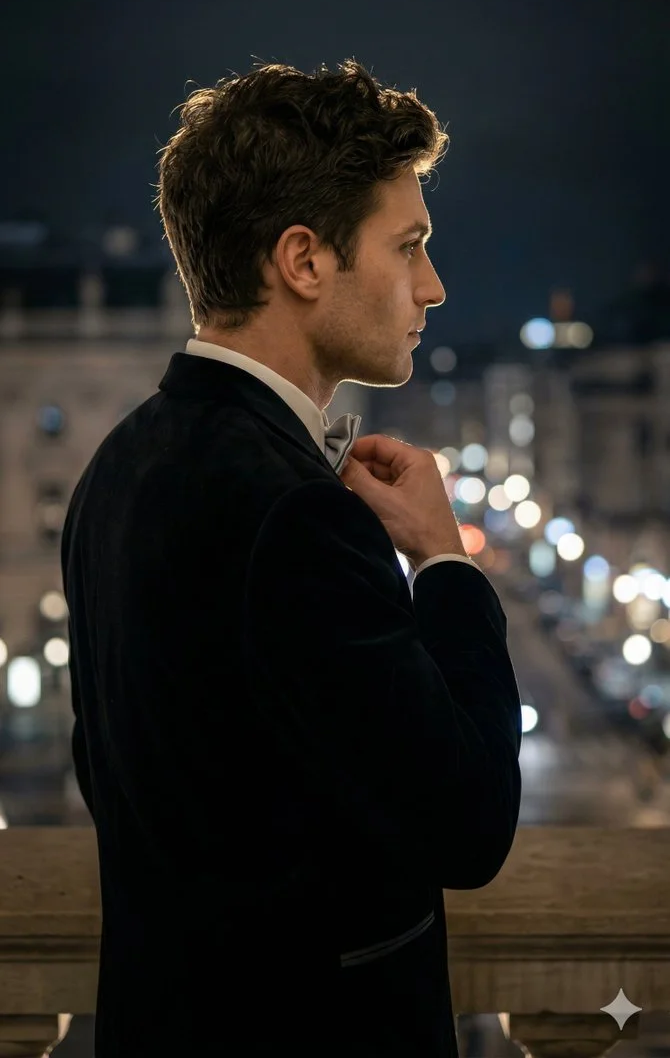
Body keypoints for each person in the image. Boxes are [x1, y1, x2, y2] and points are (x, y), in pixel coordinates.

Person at [62, 58, 522, 1057]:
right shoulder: (294, 515)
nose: (432, 287)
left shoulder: (120, 464)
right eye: (408, 248)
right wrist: (443, 563)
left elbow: (115, 775)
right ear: (304, 262)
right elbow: (469, 821)